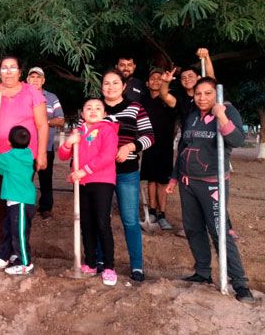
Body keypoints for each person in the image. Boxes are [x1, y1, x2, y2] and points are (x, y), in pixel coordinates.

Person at [165, 78, 254, 303]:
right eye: (198, 94)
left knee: (219, 232)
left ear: (216, 95)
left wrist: (221, 115)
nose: (202, 98)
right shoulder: (193, 116)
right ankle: (203, 273)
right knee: (193, 229)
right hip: (188, 183)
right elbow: (184, 148)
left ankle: (240, 283)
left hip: (212, 184)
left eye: (207, 93)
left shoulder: (228, 112)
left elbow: (236, 140)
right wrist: (175, 178)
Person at [0, 55, 48, 251]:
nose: (8, 71)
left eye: (12, 67)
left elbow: (42, 125)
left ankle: (18, 247)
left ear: (19, 72)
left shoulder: (32, 92)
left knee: (18, 202)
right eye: (4, 68)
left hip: (23, 159)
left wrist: (41, 154)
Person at [58, 98, 119, 286]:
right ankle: (91, 263)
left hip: (102, 182)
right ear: (82, 114)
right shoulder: (78, 132)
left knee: (102, 222)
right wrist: (69, 143)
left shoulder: (107, 130)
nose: (93, 111)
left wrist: (85, 170)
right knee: (86, 223)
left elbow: (107, 156)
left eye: (98, 108)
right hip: (82, 184)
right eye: (89, 108)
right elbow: (62, 155)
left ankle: (109, 267)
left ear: (104, 113)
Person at [102, 69, 154, 282]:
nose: (111, 87)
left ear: (124, 86)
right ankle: (101, 262)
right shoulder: (94, 108)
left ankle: (137, 266)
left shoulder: (135, 108)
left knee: (130, 220)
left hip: (127, 173)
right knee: (100, 219)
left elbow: (149, 136)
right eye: (106, 83)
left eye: (115, 83)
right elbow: (81, 134)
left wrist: (131, 146)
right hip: (99, 175)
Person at [0, 126, 36, 275]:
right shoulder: (27, 154)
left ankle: (25, 262)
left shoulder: (10, 157)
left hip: (21, 203)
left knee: (19, 234)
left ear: (9, 142)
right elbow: (3, 168)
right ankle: (5, 255)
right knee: (8, 230)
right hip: (16, 202)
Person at [26, 67, 65, 219]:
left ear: (43, 80)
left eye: (38, 77)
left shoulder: (51, 98)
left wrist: (44, 122)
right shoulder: (22, 96)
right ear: (27, 80)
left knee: (46, 179)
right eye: (32, 77)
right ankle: (25, 205)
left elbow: (60, 119)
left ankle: (46, 207)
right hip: (26, 148)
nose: (35, 79)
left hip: (46, 147)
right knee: (25, 178)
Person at [141, 69, 177, 230]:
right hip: (149, 145)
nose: (156, 81)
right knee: (151, 180)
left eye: (159, 79)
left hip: (165, 146)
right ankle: (152, 211)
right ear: (147, 83)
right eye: (152, 79)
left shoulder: (168, 100)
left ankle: (162, 214)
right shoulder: (142, 101)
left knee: (163, 181)